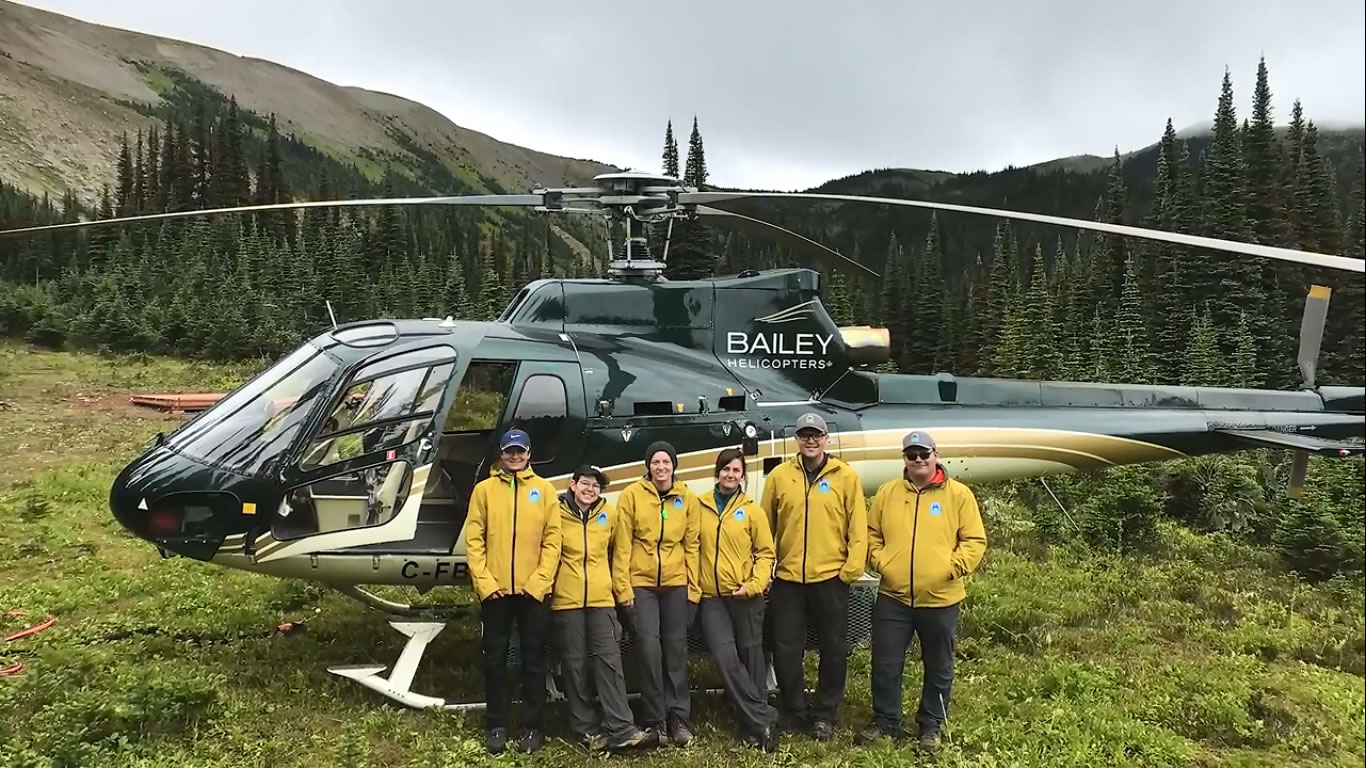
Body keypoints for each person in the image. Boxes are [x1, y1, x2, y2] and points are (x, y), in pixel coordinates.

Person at [858, 430, 987, 753]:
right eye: (911, 455)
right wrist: (881, 562)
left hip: (941, 599)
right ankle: (886, 721)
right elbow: (871, 534)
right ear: (904, 458)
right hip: (893, 597)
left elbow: (974, 541)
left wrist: (951, 568)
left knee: (939, 665)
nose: (918, 460)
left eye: (924, 454)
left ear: (935, 455)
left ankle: (931, 726)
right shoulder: (888, 493)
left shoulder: (958, 495)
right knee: (885, 663)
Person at [760, 412, 867, 741]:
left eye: (816, 435)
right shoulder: (779, 477)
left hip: (830, 577)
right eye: (804, 435)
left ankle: (825, 714)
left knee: (833, 648)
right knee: (785, 647)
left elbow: (858, 529)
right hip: (789, 579)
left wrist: (849, 571)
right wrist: (768, 566)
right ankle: (794, 709)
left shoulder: (846, 477)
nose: (810, 440)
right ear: (797, 440)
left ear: (826, 439)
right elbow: (765, 527)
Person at [464, 428, 563, 755]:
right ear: (502, 454)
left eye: (521, 451)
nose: (516, 456)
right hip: (496, 594)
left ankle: (533, 728)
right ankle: (496, 724)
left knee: (533, 661)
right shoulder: (484, 491)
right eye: (510, 451)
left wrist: (539, 583)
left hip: (533, 594)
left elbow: (553, 541)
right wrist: (485, 584)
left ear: (529, 453)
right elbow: (474, 541)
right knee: (494, 661)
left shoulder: (545, 490)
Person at [550, 464, 655, 752]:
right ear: (573, 484)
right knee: (575, 667)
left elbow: (619, 554)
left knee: (610, 663)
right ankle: (586, 730)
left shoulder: (608, 514)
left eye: (596, 486)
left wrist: (621, 591)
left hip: (601, 601)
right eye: (585, 483)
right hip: (566, 602)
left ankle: (622, 728)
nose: (590, 490)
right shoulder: (555, 512)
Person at [616, 441, 701, 747]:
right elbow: (622, 546)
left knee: (675, 650)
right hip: (642, 584)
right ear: (648, 466)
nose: (661, 467)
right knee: (649, 650)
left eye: (666, 462)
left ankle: (678, 716)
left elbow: (692, 546)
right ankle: (655, 718)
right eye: (656, 462)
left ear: (674, 466)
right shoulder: (632, 496)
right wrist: (623, 588)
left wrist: (694, 590)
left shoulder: (686, 497)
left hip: (677, 584)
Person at [697, 448, 778, 751]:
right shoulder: (700, 506)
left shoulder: (751, 510)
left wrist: (755, 584)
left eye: (736, 470)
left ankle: (750, 728)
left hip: (745, 595)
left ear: (743, 475)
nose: (730, 475)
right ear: (717, 472)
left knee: (751, 658)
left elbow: (765, 553)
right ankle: (763, 717)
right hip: (711, 597)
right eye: (725, 469)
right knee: (726, 658)